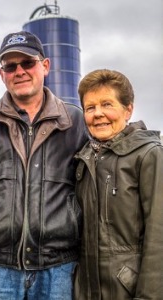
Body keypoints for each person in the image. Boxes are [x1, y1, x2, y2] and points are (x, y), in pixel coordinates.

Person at [0, 31, 89, 299]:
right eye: (10, 66)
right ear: (1, 73)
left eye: (27, 63)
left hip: (58, 268)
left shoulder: (74, 123)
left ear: (45, 66)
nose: (19, 71)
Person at [73, 69, 163, 299]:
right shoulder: (83, 160)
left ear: (128, 109)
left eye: (107, 104)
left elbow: (158, 236)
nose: (98, 114)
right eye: (90, 108)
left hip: (129, 291)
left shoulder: (150, 156)